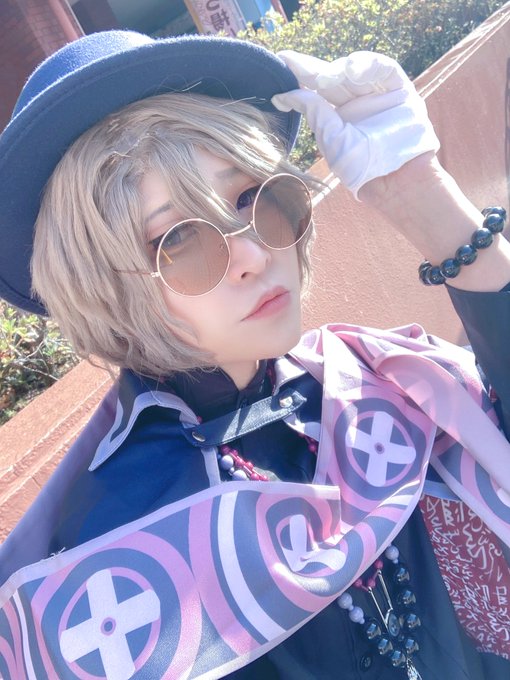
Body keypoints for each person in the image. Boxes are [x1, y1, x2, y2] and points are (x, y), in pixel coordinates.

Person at [0, 29, 509, 680]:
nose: (252, 253)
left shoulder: (386, 380)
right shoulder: (112, 548)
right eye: (178, 238)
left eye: (251, 197)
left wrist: (422, 194)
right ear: (99, 288)